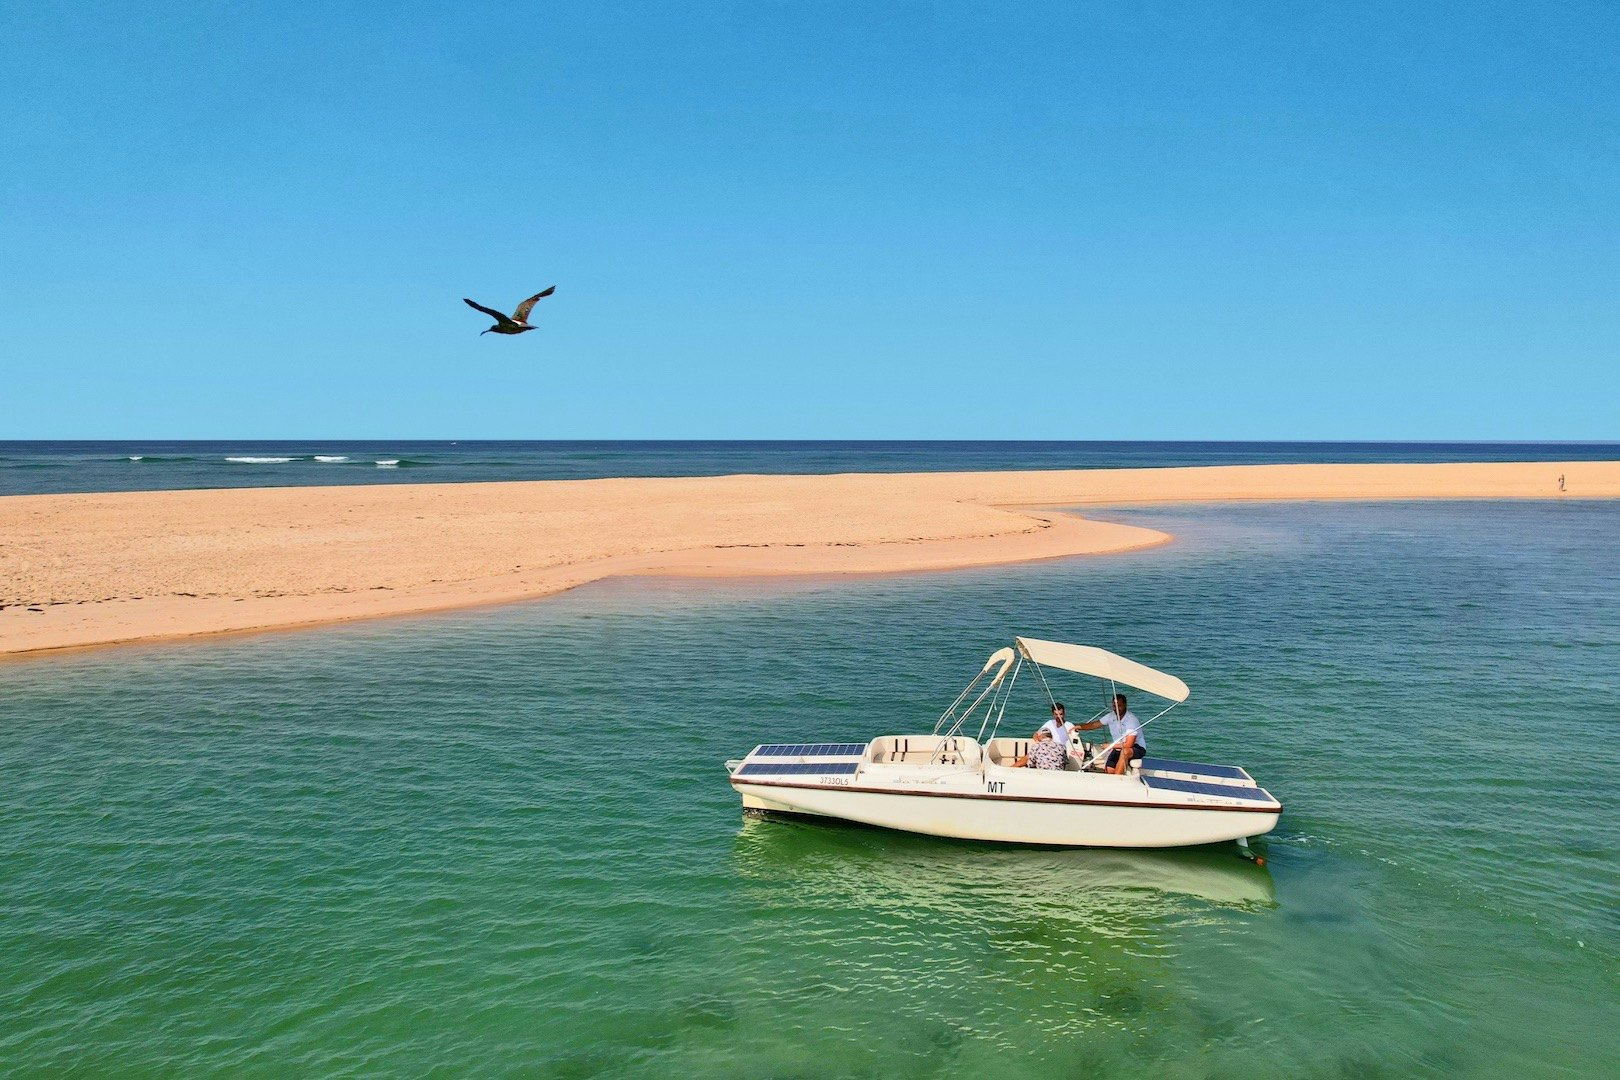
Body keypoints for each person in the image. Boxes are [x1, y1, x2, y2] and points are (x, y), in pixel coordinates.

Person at [1077, 693, 1147, 774]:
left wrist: (1110, 746)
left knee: (1125, 752)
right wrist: (1078, 727)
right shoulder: (1111, 716)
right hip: (1118, 745)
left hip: (1136, 747)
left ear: (1125, 705)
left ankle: (1117, 780)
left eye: (1119, 706)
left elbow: (1129, 744)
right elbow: (1094, 725)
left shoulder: (1131, 720)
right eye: (1114, 706)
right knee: (1109, 769)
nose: (1117, 708)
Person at [1034, 703, 1078, 767]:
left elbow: (1076, 742)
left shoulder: (1070, 726)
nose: (1058, 717)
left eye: (1061, 714)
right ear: (1053, 714)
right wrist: (1038, 742)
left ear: (1064, 714)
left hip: (1060, 752)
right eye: (1056, 714)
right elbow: (1036, 734)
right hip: (1047, 749)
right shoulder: (1049, 723)